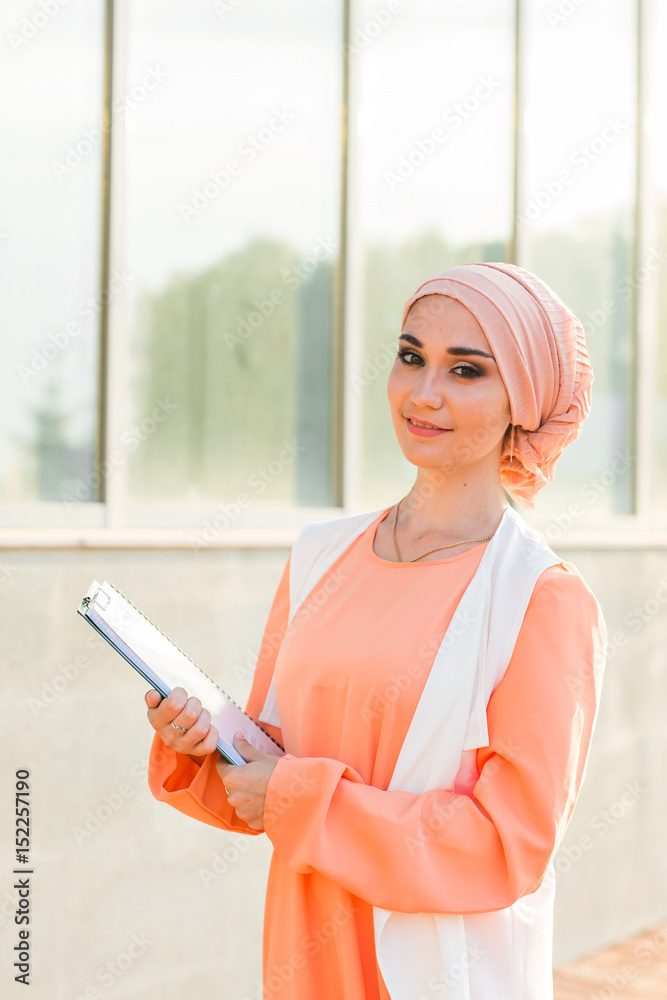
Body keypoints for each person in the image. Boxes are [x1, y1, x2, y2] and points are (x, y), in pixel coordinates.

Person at [145, 262, 607, 1000]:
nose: (423, 392)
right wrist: (202, 744)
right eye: (410, 356)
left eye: (465, 370)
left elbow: (506, 844)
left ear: (523, 401)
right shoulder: (319, 556)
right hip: (302, 955)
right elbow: (270, 765)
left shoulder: (540, 598)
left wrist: (299, 799)